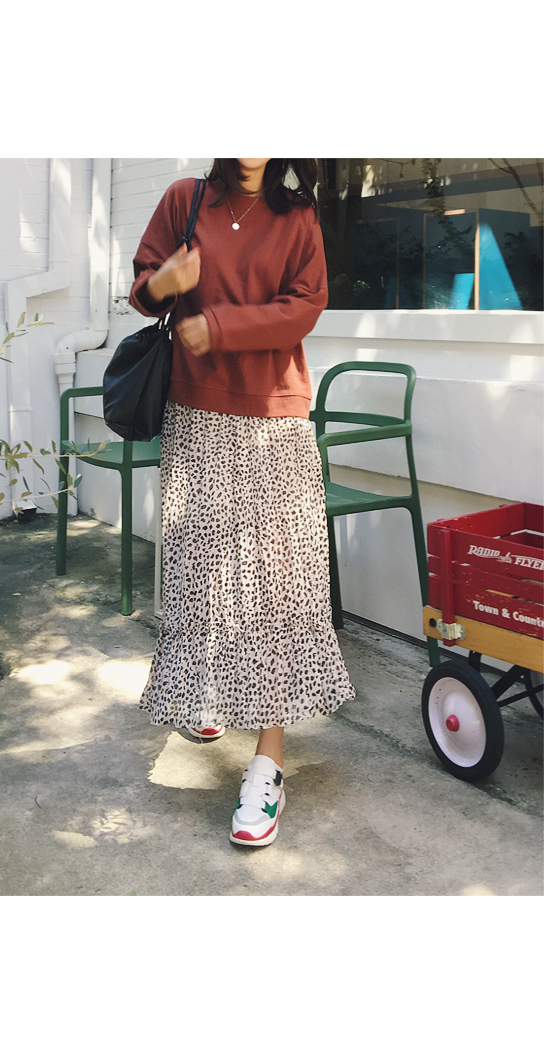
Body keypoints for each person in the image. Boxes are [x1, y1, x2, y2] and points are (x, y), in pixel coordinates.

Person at [130, 158, 354, 848]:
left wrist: (221, 327)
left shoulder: (297, 215)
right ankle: (208, 690)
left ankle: (268, 760)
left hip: (274, 418)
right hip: (195, 412)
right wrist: (165, 283)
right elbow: (142, 290)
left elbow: (306, 306)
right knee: (201, 572)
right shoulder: (186, 199)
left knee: (277, 585)